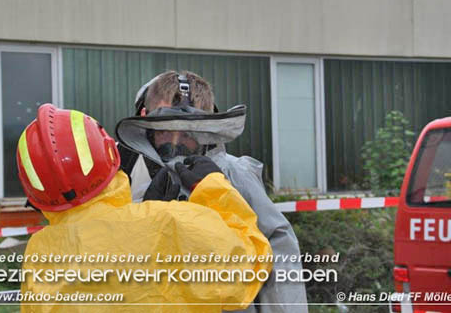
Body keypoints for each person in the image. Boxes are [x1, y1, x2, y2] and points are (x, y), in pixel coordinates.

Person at [17, 104, 272, 313]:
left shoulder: (38, 254)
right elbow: (250, 266)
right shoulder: (169, 222)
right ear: (108, 153)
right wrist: (214, 188)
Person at [116, 71, 308, 313]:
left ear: (207, 128)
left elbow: (279, 251)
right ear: (144, 118)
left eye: (187, 133)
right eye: (164, 129)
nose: (174, 141)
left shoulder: (235, 174)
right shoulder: (121, 172)